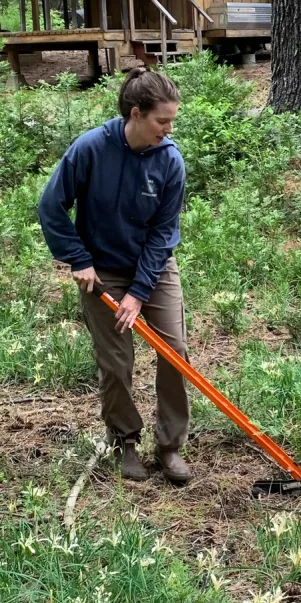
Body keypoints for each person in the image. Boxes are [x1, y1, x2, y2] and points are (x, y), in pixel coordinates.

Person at [38, 68, 191, 484]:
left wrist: (140, 292)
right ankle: (125, 439)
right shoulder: (91, 148)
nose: (169, 128)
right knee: (117, 361)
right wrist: (77, 258)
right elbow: (51, 206)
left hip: (153, 268)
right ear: (136, 114)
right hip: (101, 271)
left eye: (172, 120)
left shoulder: (169, 160)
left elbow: (163, 233)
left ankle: (170, 446)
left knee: (174, 350)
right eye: (162, 120)